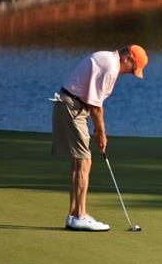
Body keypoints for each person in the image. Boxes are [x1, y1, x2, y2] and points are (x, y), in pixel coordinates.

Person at [52, 44, 148, 231]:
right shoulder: (110, 67)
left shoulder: (108, 60)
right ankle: (79, 215)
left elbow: (93, 103)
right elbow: (96, 106)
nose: (129, 73)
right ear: (127, 58)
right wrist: (101, 134)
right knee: (84, 161)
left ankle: (73, 215)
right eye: (132, 69)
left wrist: (97, 132)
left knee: (79, 161)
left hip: (72, 105)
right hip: (72, 106)